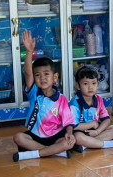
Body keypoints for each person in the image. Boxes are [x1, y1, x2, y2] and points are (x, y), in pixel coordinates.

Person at [13, 30, 75, 161]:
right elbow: (28, 73)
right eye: (38, 75)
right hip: (36, 135)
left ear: (55, 77)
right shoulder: (34, 93)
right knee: (18, 137)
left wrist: (70, 133)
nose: (42, 78)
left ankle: (34, 153)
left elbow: (68, 121)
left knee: (67, 143)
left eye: (46, 74)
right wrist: (29, 51)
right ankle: (52, 152)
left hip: (55, 135)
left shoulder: (61, 99)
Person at [69, 64, 113, 153]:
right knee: (78, 137)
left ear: (98, 85)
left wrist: (98, 131)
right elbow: (74, 126)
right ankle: (106, 144)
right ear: (78, 86)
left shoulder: (98, 100)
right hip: (81, 131)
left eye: (94, 83)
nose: (90, 87)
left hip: (95, 132)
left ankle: (86, 145)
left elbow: (106, 119)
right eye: (85, 84)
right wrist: (92, 124)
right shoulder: (75, 103)